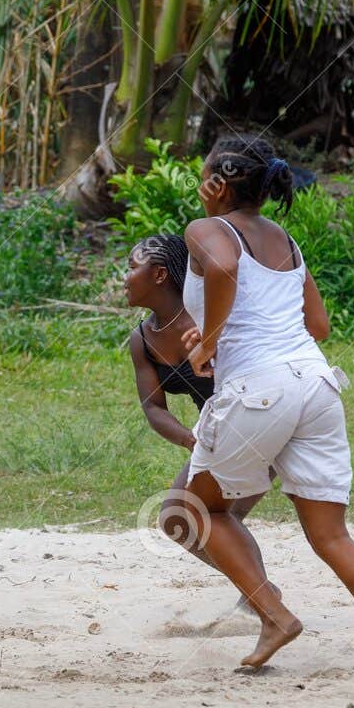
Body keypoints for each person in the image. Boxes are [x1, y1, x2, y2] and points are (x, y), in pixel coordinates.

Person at [180, 135, 354, 671]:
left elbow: (221, 269)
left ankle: (274, 617)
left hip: (259, 390)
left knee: (197, 510)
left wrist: (212, 340)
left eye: (203, 175)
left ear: (218, 182)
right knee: (331, 534)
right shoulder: (285, 240)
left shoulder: (206, 229)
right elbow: (319, 325)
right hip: (316, 383)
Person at [125, 233, 267, 578]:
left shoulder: (210, 316)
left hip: (261, 417)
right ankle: (261, 596)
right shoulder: (142, 339)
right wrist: (192, 440)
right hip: (216, 432)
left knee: (217, 516)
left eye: (131, 267)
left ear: (159, 275)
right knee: (177, 519)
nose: (124, 277)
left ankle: (262, 603)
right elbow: (154, 408)